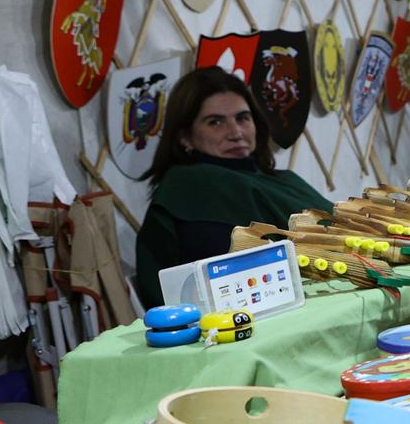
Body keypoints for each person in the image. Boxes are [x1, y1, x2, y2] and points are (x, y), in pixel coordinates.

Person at [134, 67, 333, 309]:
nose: (236, 133)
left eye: (242, 118)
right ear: (185, 137)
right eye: (215, 122)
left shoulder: (282, 180)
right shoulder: (189, 186)